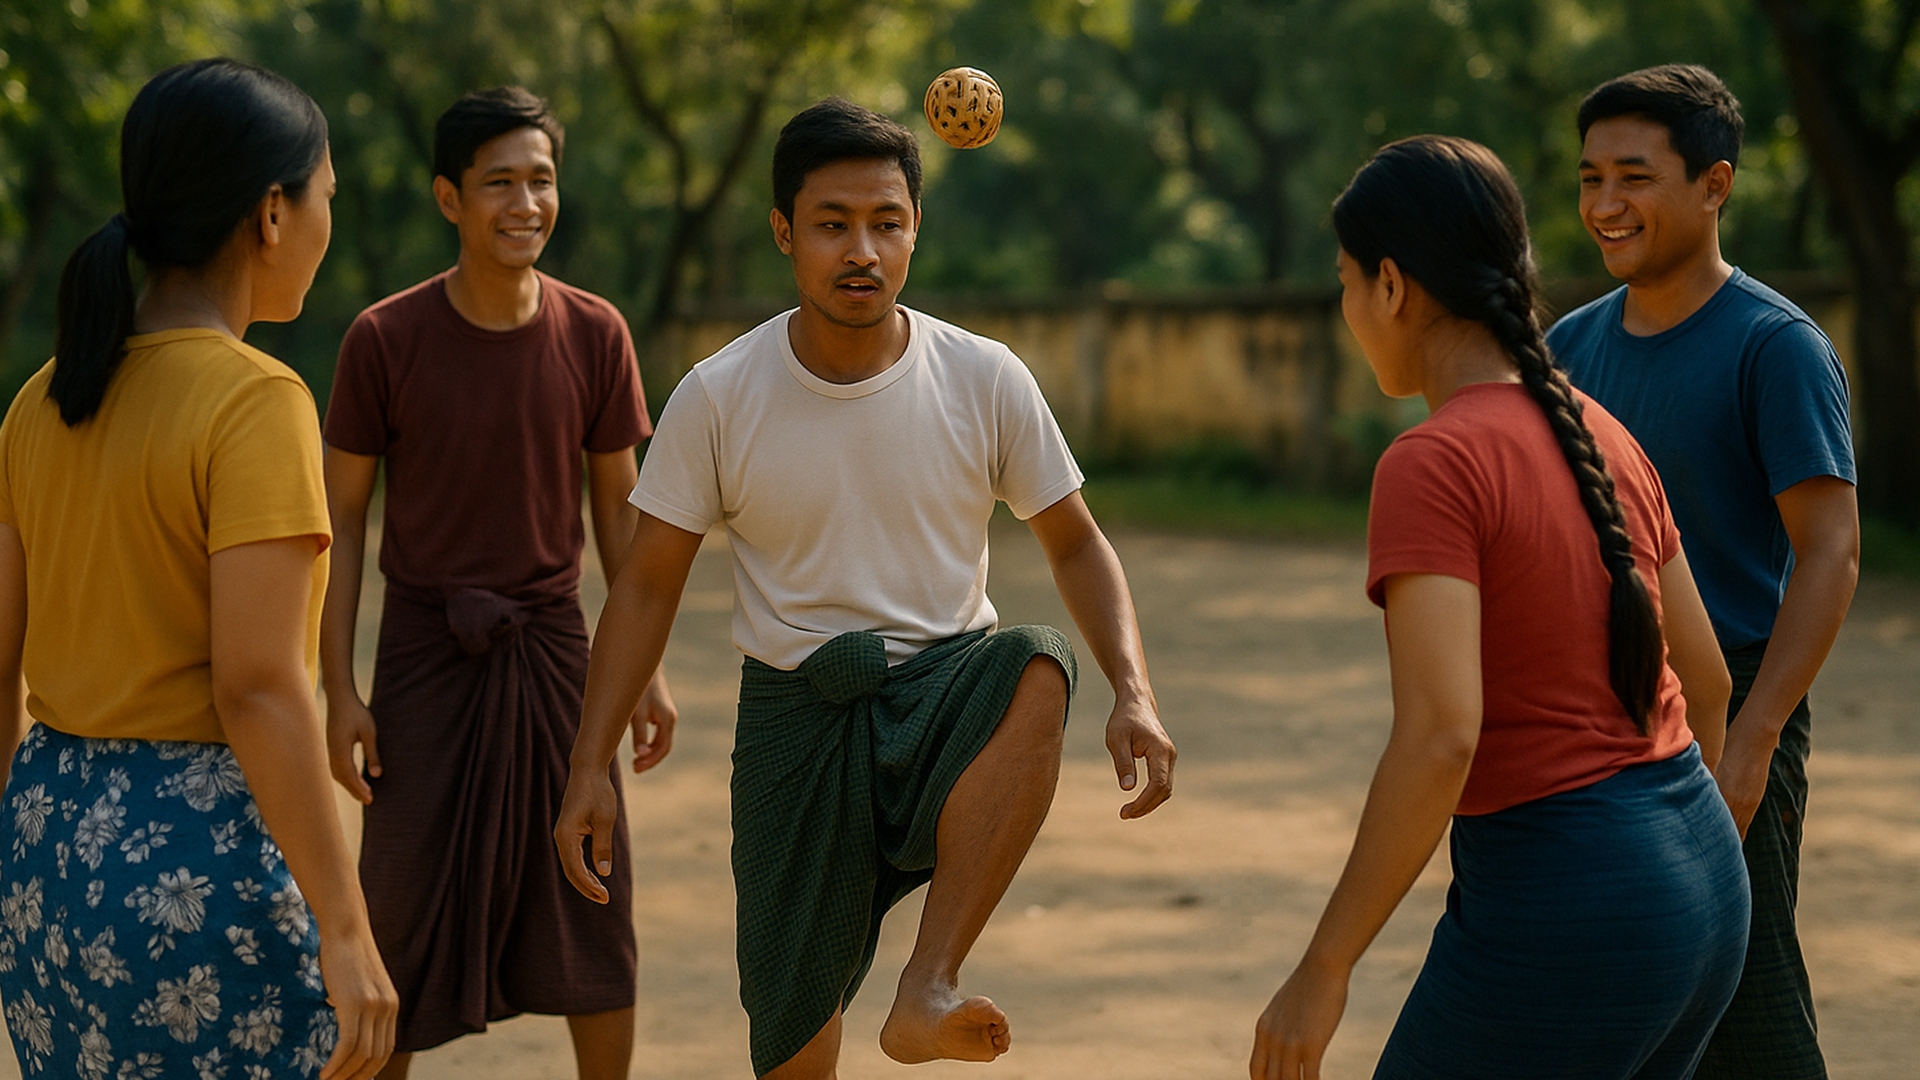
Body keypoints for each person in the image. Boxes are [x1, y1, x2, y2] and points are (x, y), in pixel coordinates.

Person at [553, 97, 1176, 1078]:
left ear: (916, 228)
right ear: (783, 232)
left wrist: (1134, 691)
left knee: (1034, 663)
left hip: (942, 701)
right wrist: (589, 763)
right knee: (794, 1054)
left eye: (887, 222)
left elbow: (1076, 544)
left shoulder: (984, 377)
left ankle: (929, 983)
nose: (862, 251)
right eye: (832, 223)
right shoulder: (719, 393)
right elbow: (644, 586)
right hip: (795, 722)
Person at [1250, 135, 1750, 1079]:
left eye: (1347, 283)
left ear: (1391, 286)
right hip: (1706, 884)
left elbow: (1441, 736)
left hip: (1569, 902)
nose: (1348, 309)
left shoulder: (1433, 462)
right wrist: (1670, 857)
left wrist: (1325, 967)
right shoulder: (1603, 433)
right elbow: (1710, 683)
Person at [0, 58, 397, 1079]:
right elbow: (258, 685)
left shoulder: (41, 400)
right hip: (192, 860)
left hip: (44, 850)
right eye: (325, 197)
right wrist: (345, 926)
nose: (326, 223)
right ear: (271, 213)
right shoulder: (255, 401)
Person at [319, 86, 673, 1078]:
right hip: (424, 658)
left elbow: (621, 517)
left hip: (554, 654)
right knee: (395, 910)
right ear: (449, 198)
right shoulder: (383, 338)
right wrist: (338, 687)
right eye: (499, 184)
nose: (526, 204)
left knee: (590, 893)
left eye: (542, 180)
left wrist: (642, 669)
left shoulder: (595, 331)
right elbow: (341, 520)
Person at [1547, 65, 1859, 1080]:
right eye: (1590, 178)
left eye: (1634, 177)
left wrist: (1755, 740)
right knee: (1611, 994)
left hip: (1731, 706)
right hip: (1599, 713)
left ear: (1715, 184)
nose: (1605, 204)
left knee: (1746, 1004)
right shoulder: (1566, 348)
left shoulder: (1775, 346)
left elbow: (1831, 551)